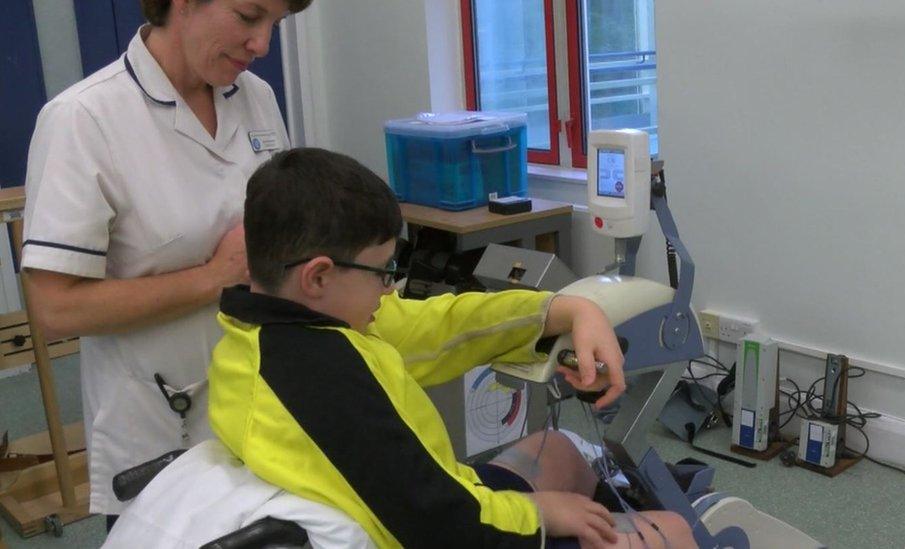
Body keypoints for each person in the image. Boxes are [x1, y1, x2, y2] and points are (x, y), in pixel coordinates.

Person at [207, 147, 697, 548]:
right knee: (673, 531)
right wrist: (537, 515)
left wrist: (567, 310)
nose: (389, 289)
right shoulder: (320, 382)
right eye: (383, 272)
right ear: (318, 275)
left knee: (566, 452)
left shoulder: (283, 328)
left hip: (436, 499)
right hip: (448, 530)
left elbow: (444, 324)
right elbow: (439, 526)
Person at [21, 0, 312, 525]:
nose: (263, 45)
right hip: (159, 421)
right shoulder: (83, 118)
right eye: (249, 17)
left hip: (262, 405)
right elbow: (55, 310)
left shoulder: (258, 98)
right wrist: (216, 276)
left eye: (277, 24)